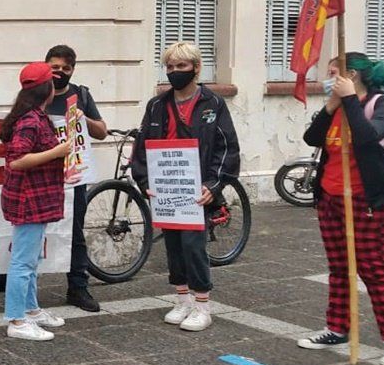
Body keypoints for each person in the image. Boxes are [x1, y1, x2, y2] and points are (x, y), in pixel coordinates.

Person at [297, 52, 384, 365]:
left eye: (334, 72)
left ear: (354, 75)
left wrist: (351, 102)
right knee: (339, 268)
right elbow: (311, 138)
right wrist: (331, 106)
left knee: (374, 269)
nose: (330, 78)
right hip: (331, 197)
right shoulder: (335, 106)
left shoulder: (380, 105)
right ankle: (336, 328)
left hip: (368, 200)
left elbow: (367, 137)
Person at [130, 42, 240, 332]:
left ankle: (202, 305)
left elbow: (226, 148)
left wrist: (212, 186)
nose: (175, 72)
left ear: (196, 68)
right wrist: (144, 181)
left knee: (193, 246)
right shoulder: (156, 105)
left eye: (181, 66)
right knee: (174, 245)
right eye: (170, 67)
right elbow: (142, 147)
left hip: (197, 190)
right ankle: (182, 300)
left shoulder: (213, 103)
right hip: (167, 189)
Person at [0, 62, 79, 341]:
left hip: (35, 198)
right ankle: (17, 320)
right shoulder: (31, 121)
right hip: (28, 200)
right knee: (23, 262)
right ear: (46, 89)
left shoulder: (33, 116)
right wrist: (58, 152)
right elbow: (17, 160)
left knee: (31, 259)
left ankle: (30, 310)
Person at [44, 44, 107, 312]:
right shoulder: (36, 93)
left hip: (74, 176)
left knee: (75, 231)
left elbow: (101, 131)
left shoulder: (80, 95)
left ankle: (78, 287)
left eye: (65, 69)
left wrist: (83, 118)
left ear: (73, 70)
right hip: (43, 174)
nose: (59, 72)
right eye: (54, 67)